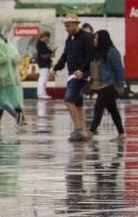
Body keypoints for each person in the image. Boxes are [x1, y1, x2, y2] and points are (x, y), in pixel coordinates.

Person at [56, 13, 95, 142]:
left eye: (69, 26)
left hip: (80, 76)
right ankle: (83, 130)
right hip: (72, 74)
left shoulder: (86, 37)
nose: (67, 29)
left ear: (76, 24)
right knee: (78, 104)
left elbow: (90, 56)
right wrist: (55, 68)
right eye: (65, 26)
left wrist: (82, 70)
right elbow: (65, 55)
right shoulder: (70, 38)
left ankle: (78, 130)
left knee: (68, 101)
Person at [88, 29, 126, 138]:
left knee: (98, 107)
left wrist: (120, 85)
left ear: (102, 39)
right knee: (113, 110)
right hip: (100, 85)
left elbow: (119, 69)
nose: (94, 40)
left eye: (96, 38)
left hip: (109, 84)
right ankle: (121, 134)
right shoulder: (98, 53)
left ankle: (91, 132)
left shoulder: (112, 52)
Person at [32, 30, 54, 100]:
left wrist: (50, 52)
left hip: (44, 63)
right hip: (43, 63)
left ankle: (42, 93)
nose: (48, 39)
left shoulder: (42, 43)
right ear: (45, 36)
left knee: (44, 78)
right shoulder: (40, 43)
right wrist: (50, 52)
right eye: (48, 37)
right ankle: (41, 94)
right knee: (43, 78)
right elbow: (43, 53)